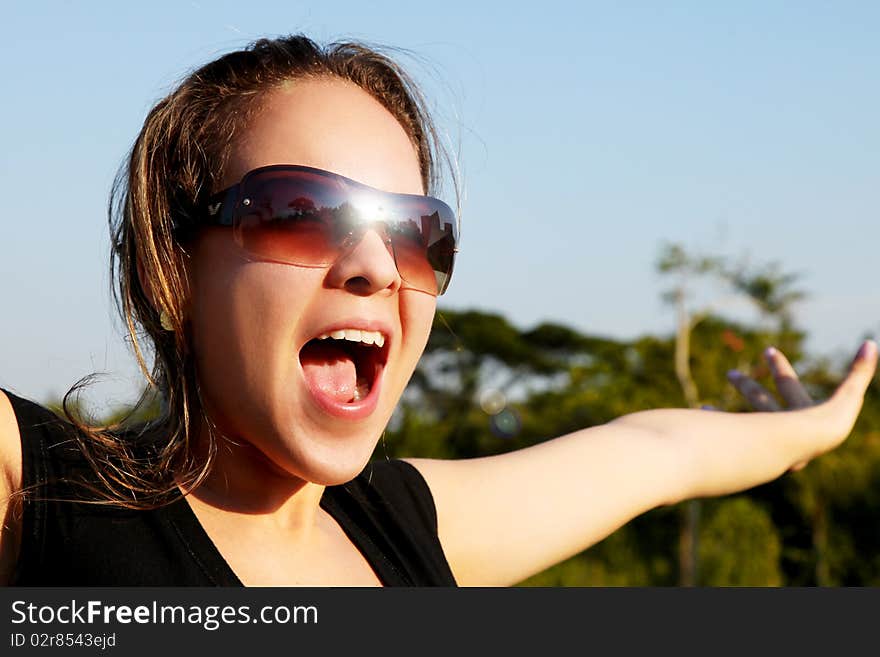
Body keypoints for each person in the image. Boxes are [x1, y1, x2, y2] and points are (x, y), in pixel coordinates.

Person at [0, 35, 875, 587]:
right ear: (174, 263)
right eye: (301, 213)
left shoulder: (406, 527)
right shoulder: (40, 497)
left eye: (419, 233)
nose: (379, 266)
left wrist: (816, 431)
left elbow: (658, 452)